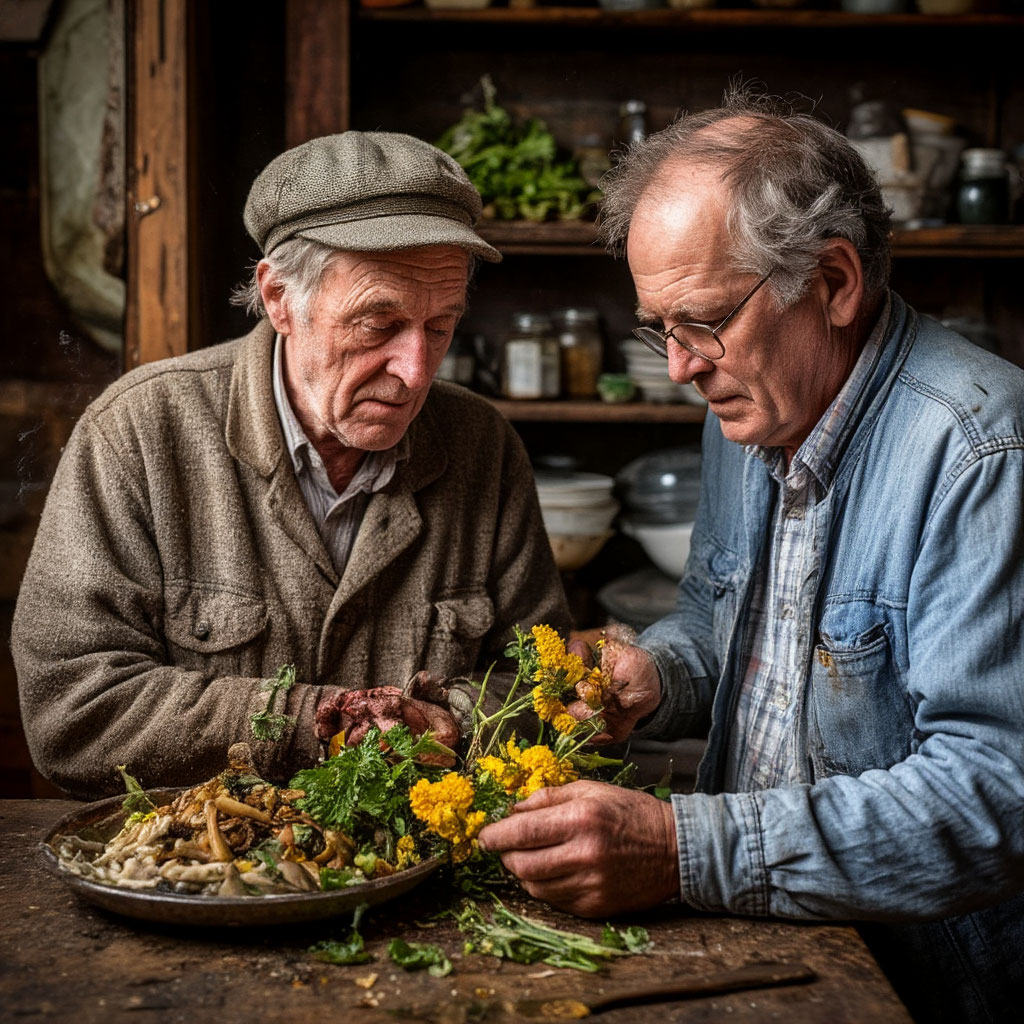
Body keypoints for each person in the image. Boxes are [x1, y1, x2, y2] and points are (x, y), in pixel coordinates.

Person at [478, 89, 1024, 1021]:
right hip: (766, 934)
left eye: (702, 320)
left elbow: (993, 797)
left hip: (923, 979)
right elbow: (719, 617)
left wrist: (681, 849)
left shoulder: (982, 451)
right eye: (660, 327)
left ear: (834, 282)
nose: (680, 366)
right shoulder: (750, 407)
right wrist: (656, 674)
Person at [13, 131, 570, 799]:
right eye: (378, 324)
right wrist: (321, 723)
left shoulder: (483, 445)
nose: (416, 370)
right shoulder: (137, 433)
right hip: (200, 857)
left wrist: (446, 719)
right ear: (279, 298)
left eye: (440, 326)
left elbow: (541, 687)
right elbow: (71, 711)